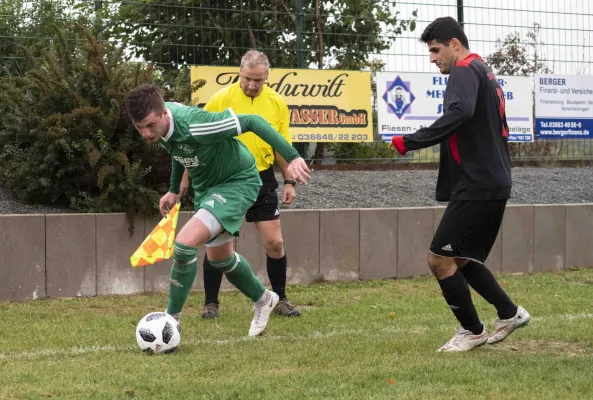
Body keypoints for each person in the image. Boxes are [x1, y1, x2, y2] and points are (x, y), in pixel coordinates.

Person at [125, 83, 311, 337]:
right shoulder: (161, 127)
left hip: (237, 181)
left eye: (150, 125)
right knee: (220, 259)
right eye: (139, 128)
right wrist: (174, 189)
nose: (146, 133)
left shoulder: (196, 123)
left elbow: (254, 121)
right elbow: (179, 150)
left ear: (164, 114)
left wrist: (292, 157)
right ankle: (264, 299)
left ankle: (171, 321)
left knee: (184, 244)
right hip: (208, 188)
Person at [390, 17, 530, 352]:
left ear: (455, 44)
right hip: (491, 180)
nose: (432, 58)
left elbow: (460, 112)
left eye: (436, 50)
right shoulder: (483, 69)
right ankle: (509, 313)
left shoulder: (464, 70)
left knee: (439, 260)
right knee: (462, 258)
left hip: (479, 183)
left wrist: (410, 141)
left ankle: (473, 331)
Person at [180, 50, 301, 319]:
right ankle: (211, 303)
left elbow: (281, 144)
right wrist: (184, 180)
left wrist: (289, 180)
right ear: (239, 73)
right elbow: (195, 140)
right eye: (247, 79)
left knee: (275, 243)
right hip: (223, 181)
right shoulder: (220, 99)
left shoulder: (277, 103)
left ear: (267, 77)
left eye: (258, 80)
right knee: (216, 245)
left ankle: (279, 299)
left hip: (261, 179)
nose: (252, 85)